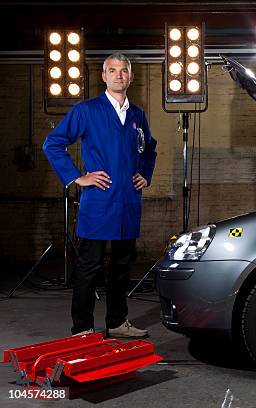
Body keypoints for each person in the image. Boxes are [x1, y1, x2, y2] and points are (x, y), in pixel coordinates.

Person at [43, 53, 157, 338]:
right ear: (103, 76)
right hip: (100, 200)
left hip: (128, 202)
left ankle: (117, 322)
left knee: (121, 267)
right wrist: (77, 177)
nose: (119, 75)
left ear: (131, 77)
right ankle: (82, 328)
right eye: (113, 70)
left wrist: (145, 172)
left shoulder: (137, 115)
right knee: (89, 268)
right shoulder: (87, 110)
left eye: (124, 71)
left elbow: (149, 148)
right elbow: (53, 143)